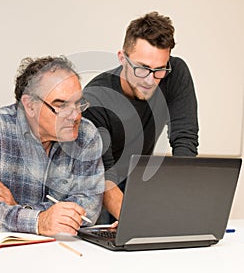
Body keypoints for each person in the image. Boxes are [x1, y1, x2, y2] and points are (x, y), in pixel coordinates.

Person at [0, 56, 105, 236]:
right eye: (61, 105)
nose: (75, 116)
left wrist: (19, 208)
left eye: (78, 103)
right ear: (30, 105)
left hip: (58, 250)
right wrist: (39, 221)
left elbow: (89, 207)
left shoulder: (87, 135)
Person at [83, 11, 199, 223]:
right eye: (142, 68)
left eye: (159, 70)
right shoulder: (95, 100)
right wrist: (136, 224)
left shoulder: (175, 73)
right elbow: (103, 180)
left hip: (137, 184)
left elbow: (185, 140)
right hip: (94, 189)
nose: (150, 80)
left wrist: (184, 207)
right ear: (122, 58)